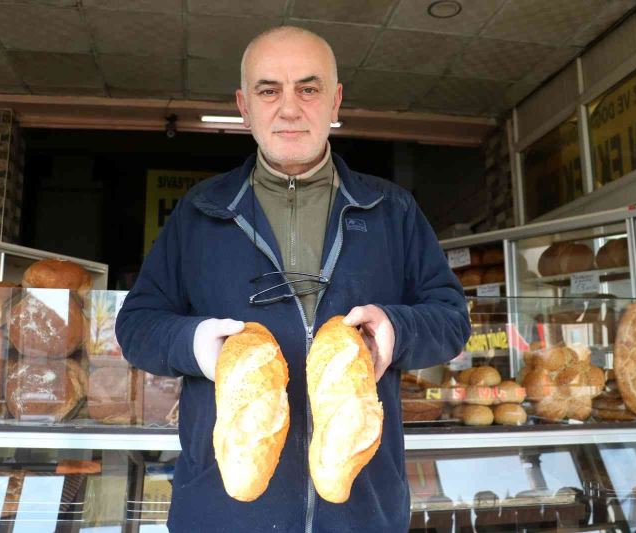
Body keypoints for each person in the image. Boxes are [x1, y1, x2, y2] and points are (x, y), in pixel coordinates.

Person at [116, 25, 471, 533]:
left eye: (308, 88)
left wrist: (396, 331)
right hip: (224, 510)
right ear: (243, 105)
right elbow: (136, 327)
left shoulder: (391, 210)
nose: (289, 107)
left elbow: (452, 318)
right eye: (268, 90)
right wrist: (197, 345)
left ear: (335, 100)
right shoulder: (201, 213)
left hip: (361, 509)